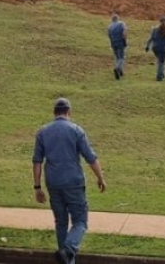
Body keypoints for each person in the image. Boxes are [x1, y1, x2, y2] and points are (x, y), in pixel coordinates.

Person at [32, 97, 107, 264]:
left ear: (54, 113)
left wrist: (37, 187)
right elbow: (90, 157)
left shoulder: (42, 132)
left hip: (53, 183)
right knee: (80, 221)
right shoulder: (76, 130)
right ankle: (69, 249)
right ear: (69, 112)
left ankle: (66, 259)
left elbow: (37, 161)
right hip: (73, 182)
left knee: (61, 223)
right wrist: (100, 178)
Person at [145, 15, 165, 81]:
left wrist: (147, 46)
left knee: (159, 61)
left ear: (159, 22)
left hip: (155, 48)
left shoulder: (154, 29)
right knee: (161, 62)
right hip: (162, 49)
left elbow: (150, 39)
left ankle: (162, 74)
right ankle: (159, 76)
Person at [106, 14, 127, 80]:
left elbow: (109, 35)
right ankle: (117, 68)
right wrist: (124, 41)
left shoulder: (109, 26)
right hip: (120, 42)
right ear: (118, 18)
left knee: (117, 57)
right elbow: (124, 33)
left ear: (112, 19)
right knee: (121, 57)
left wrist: (111, 43)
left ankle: (120, 71)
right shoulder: (121, 24)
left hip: (113, 43)